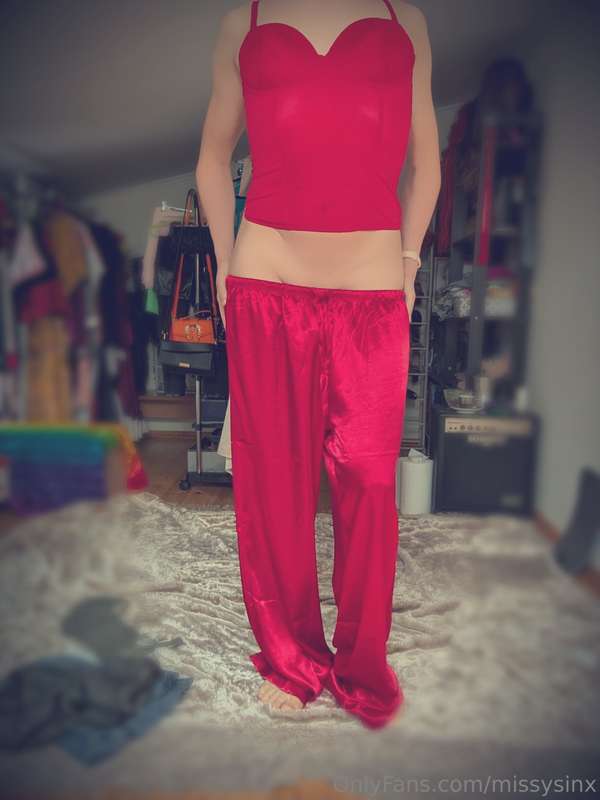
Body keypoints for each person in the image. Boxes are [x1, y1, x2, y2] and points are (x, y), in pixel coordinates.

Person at [196, 0, 440, 729]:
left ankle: (361, 660)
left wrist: (409, 261)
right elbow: (212, 156)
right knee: (275, 482)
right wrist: (222, 259)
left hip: (371, 287)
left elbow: (427, 164)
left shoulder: (405, 20)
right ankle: (293, 656)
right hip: (267, 276)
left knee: (369, 480)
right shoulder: (245, 20)